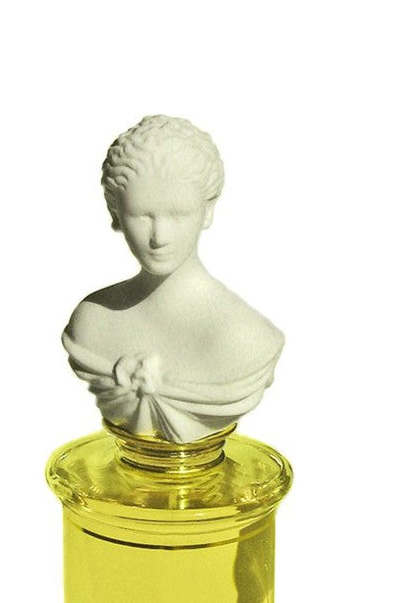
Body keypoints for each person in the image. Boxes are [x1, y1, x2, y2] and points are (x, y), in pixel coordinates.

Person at [62, 115, 284, 443]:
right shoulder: (92, 321)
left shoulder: (245, 339)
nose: (159, 237)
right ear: (115, 213)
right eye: (141, 215)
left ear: (207, 210)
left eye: (178, 214)